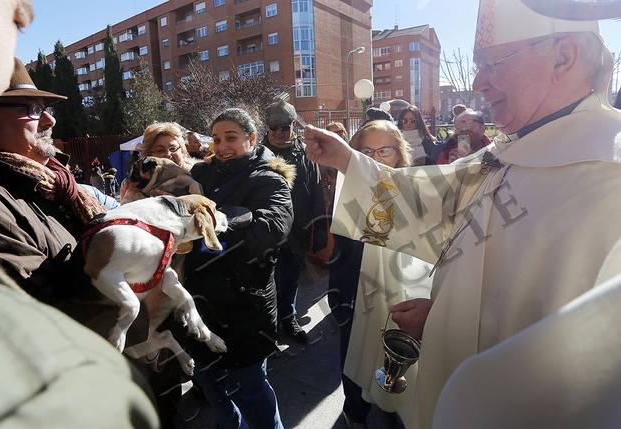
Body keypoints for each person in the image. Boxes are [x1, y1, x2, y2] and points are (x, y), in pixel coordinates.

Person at [304, 0, 621, 426]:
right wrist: (348, 160)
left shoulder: (608, 177)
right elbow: (426, 199)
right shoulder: (509, 150)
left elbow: (590, 366)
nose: (478, 82)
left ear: (562, 56)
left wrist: (448, 320)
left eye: (492, 63)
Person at [0, 41, 158, 427]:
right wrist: (123, 263)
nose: (50, 121)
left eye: (48, 109)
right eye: (31, 110)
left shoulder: (53, 183)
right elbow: (35, 327)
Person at [183, 108, 293, 429]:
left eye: (231, 137)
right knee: (212, 389)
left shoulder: (268, 178)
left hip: (243, 309)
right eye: (216, 139)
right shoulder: (202, 173)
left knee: (251, 391)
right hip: (198, 307)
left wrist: (220, 222)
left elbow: (269, 233)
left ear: (252, 138)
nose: (221, 146)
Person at [328, 120, 432, 429]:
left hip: (402, 286)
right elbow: (344, 249)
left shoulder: (417, 188)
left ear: (398, 154)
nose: (376, 156)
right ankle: (355, 411)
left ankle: (389, 402)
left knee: (395, 349)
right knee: (354, 352)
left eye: (384, 150)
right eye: (366, 150)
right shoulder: (348, 187)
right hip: (355, 288)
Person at [261, 100, 328, 343]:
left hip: (298, 230)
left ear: (293, 126)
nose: (278, 132)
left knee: (290, 279)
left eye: (284, 127)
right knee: (268, 280)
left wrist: (319, 230)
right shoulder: (258, 154)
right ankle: (269, 324)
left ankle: (288, 317)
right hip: (267, 232)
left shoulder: (305, 153)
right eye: (273, 127)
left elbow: (317, 192)